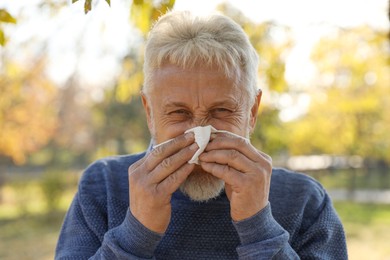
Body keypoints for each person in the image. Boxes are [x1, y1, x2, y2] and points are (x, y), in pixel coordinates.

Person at [55, 11, 347, 259]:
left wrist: (260, 228)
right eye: (179, 113)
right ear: (149, 112)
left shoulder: (305, 202)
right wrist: (135, 234)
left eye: (221, 110)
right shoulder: (103, 188)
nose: (200, 134)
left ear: (252, 111)